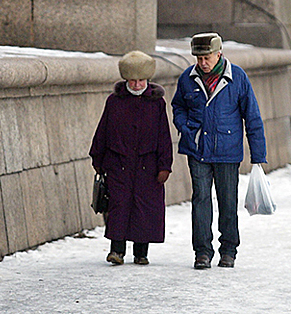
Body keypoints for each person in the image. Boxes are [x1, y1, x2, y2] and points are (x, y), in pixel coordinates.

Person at [171, 32, 267, 269]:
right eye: (199, 58)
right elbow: (178, 107)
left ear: (219, 54)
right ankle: (202, 252)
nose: (203, 63)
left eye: (207, 57)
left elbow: (252, 117)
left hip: (227, 151)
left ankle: (229, 250)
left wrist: (258, 156)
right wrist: (186, 128)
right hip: (198, 150)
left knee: (227, 201)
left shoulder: (238, 78)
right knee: (201, 199)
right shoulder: (187, 78)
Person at [89, 50, 173, 266]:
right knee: (119, 206)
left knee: (144, 208)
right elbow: (103, 132)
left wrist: (165, 166)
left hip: (148, 166)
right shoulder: (114, 102)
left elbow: (164, 136)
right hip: (119, 164)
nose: (136, 85)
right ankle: (116, 250)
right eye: (133, 80)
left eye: (141, 80)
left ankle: (141, 252)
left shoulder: (157, 104)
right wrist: (98, 160)